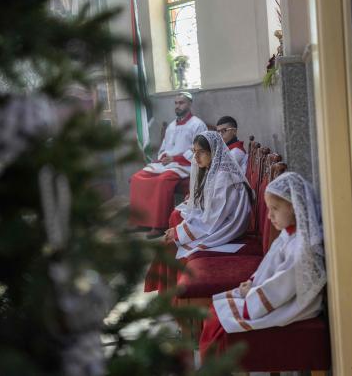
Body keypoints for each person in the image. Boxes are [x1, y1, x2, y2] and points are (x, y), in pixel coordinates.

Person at [199, 172, 326, 358]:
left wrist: (251, 294)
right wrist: (252, 283)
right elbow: (270, 266)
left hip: (293, 305)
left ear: (293, 207)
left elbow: (282, 284)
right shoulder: (289, 233)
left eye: (275, 209)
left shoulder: (302, 246)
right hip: (276, 297)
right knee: (216, 310)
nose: (269, 216)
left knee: (219, 322)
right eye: (268, 209)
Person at [163, 131, 253, 259]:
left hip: (226, 227)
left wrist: (178, 232)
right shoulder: (212, 169)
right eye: (194, 152)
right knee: (174, 235)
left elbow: (214, 218)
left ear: (214, 151)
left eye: (201, 152)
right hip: (219, 221)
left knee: (172, 246)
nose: (196, 157)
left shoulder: (223, 177)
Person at [129, 92, 207, 238]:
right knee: (137, 178)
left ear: (190, 104)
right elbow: (164, 147)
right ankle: (140, 221)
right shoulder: (171, 125)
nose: (178, 106)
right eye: (176, 103)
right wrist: (163, 157)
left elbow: (199, 149)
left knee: (162, 181)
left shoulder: (198, 124)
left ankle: (159, 225)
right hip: (167, 164)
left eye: (181, 103)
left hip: (185, 165)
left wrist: (175, 158)